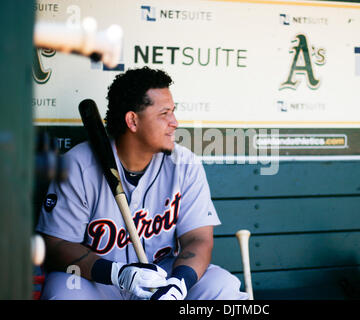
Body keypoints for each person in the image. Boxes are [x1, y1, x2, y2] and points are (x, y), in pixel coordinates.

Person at [36, 67, 248, 300]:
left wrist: (179, 284)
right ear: (133, 121)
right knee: (64, 293)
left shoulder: (184, 164)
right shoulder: (79, 165)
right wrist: (117, 273)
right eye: (164, 113)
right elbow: (56, 245)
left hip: (161, 275)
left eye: (173, 112)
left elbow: (198, 238)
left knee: (222, 285)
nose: (174, 122)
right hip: (97, 279)